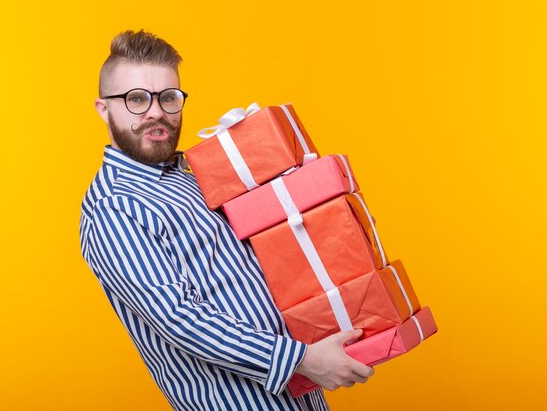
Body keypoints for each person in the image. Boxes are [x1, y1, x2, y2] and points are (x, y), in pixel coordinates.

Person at [79, 30, 374, 411]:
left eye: (169, 98)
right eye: (136, 99)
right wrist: (304, 360)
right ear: (104, 109)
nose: (156, 112)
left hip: (301, 396)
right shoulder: (114, 207)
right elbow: (179, 318)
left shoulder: (198, 177)